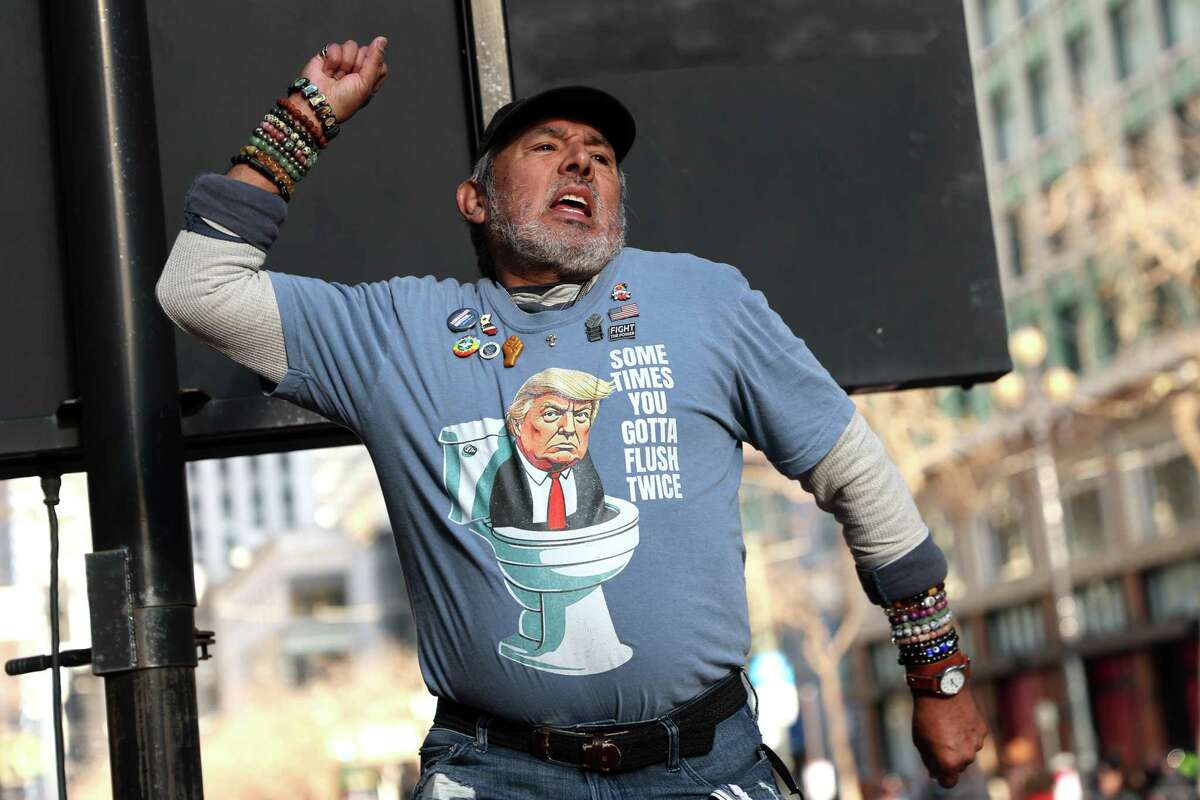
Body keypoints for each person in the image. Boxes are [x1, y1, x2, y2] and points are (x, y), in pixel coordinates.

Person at [156, 36, 988, 799]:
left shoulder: (706, 300)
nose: (581, 166)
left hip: (706, 766)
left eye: (599, 158)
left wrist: (938, 673)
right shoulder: (396, 334)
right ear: (474, 201)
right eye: (547, 149)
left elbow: (856, 470)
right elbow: (199, 288)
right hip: (496, 771)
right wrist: (304, 119)